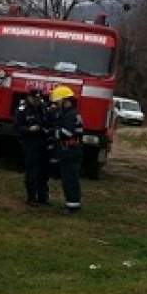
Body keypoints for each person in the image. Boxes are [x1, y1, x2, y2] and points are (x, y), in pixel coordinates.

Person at [15, 85, 51, 206]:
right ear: (29, 97)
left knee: (44, 171)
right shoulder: (23, 109)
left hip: (43, 142)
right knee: (32, 171)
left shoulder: (44, 107)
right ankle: (31, 197)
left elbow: (48, 122)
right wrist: (29, 129)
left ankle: (43, 197)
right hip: (30, 143)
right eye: (35, 98)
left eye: (39, 98)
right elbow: (18, 127)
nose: (37, 100)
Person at [50, 86, 84, 214]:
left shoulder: (70, 115)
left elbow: (66, 133)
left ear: (65, 100)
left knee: (69, 178)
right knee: (71, 178)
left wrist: (55, 132)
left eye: (59, 101)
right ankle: (72, 203)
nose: (57, 104)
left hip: (70, 149)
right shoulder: (73, 113)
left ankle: (72, 206)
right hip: (73, 149)